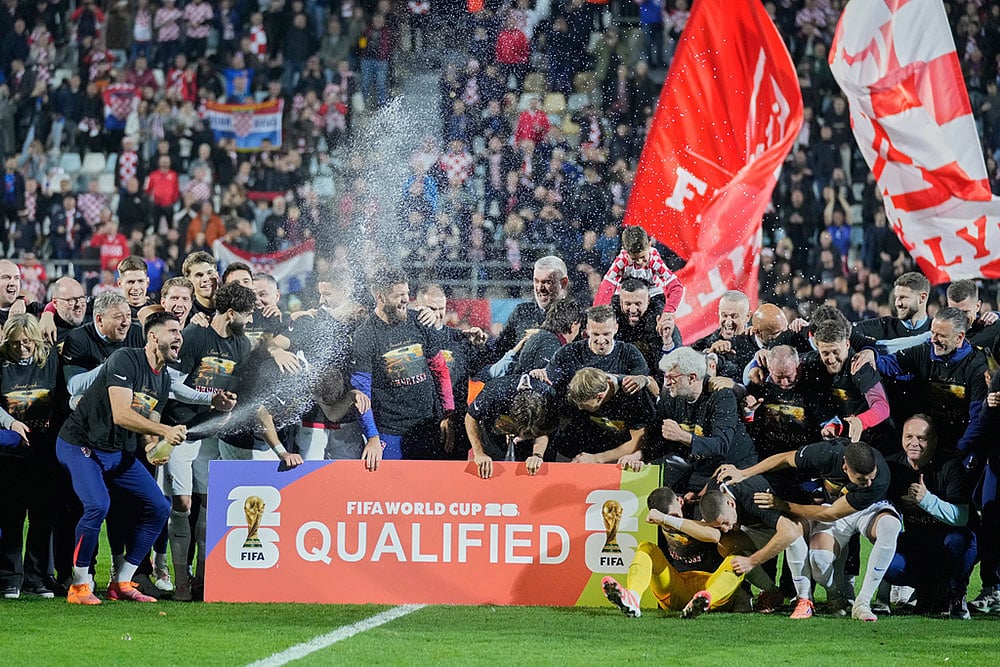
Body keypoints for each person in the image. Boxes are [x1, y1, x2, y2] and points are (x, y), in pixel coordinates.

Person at [55, 312, 186, 605]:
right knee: (98, 506)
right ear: (153, 336)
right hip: (80, 444)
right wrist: (165, 430)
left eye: (180, 331)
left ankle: (122, 581)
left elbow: (149, 423)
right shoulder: (125, 358)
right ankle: (79, 585)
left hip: (116, 452)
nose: (180, 337)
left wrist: (155, 448)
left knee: (159, 507)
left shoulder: (163, 378)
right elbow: (122, 414)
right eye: (173, 331)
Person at [718, 439, 899, 622]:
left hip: (867, 510)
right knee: (820, 562)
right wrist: (744, 473)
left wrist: (785, 506)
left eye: (870, 476)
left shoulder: (879, 479)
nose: (868, 482)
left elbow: (831, 514)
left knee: (890, 526)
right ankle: (834, 595)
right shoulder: (827, 453)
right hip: (833, 507)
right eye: (861, 479)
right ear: (845, 468)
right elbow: (786, 458)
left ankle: (863, 603)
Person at [161, 282, 252, 601]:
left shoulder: (242, 345)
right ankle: (181, 579)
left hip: (210, 435)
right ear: (230, 313)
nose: (250, 320)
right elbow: (170, 386)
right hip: (180, 431)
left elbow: (234, 389)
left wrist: (227, 404)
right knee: (182, 505)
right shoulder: (195, 337)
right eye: (246, 314)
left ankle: (203, 579)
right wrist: (211, 399)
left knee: (209, 509)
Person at [350, 268, 454, 462]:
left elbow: (440, 369)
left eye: (407, 293)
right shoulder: (365, 335)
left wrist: (448, 414)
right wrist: (372, 437)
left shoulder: (420, 321)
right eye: (399, 295)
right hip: (390, 431)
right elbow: (362, 392)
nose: (406, 299)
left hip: (428, 425)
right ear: (380, 297)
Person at [853, 307, 989, 453]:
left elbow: (977, 419)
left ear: (959, 338)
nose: (933, 340)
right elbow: (889, 365)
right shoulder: (924, 351)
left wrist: (960, 452)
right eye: (933, 333)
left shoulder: (977, 366)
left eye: (941, 336)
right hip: (928, 439)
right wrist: (872, 354)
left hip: (962, 441)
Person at [0, 314, 67, 599]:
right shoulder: (2, 364)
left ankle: (37, 577)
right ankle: (9, 577)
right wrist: (11, 423)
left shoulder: (51, 360)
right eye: (15, 344)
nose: (22, 348)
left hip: (45, 452)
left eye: (27, 342)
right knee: (11, 516)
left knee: (43, 516)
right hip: (10, 453)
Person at [883, 414, 976, 619]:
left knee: (960, 540)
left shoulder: (950, 466)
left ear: (933, 441)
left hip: (949, 541)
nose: (914, 443)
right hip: (917, 541)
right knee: (889, 564)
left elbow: (962, 517)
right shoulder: (892, 466)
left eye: (921, 438)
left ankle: (956, 593)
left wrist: (927, 500)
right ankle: (929, 589)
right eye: (909, 436)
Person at [640, 347, 757, 494]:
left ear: (692, 377)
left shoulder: (721, 396)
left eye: (672, 378)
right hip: (700, 465)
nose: (667, 383)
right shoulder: (669, 396)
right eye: (665, 376)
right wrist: (640, 455)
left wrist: (682, 436)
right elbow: (659, 437)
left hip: (735, 466)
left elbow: (721, 445)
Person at [533, 304, 649, 393]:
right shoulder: (568, 352)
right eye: (596, 334)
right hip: (577, 416)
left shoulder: (629, 352)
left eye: (606, 334)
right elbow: (550, 380)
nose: (601, 340)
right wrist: (539, 375)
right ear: (587, 329)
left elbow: (647, 383)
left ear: (616, 328)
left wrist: (642, 380)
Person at [552, 367, 656, 463]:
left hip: (626, 455)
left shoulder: (633, 394)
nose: (580, 408)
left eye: (585, 405)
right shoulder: (582, 388)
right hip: (594, 444)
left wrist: (597, 458)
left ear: (599, 397)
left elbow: (638, 442)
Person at [466, 373, 558, 479]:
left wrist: (537, 455)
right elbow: (471, 417)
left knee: (531, 469)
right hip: (495, 433)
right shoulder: (494, 392)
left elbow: (544, 431)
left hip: (529, 442)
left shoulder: (548, 395)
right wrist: (479, 453)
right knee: (492, 468)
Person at [491, 255, 569, 361]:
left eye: (547, 282)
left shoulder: (575, 318)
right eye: (536, 281)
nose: (540, 288)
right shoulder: (522, 312)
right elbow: (497, 352)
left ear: (563, 283)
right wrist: (481, 344)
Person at [594, 226, 683, 315]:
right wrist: (598, 314)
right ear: (625, 251)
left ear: (649, 245)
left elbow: (676, 287)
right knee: (612, 317)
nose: (640, 262)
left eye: (642, 257)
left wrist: (668, 312)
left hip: (652, 296)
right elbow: (606, 286)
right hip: (626, 298)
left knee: (659, 320)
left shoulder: (655, 261)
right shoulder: (622, 261)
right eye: (634, 259)